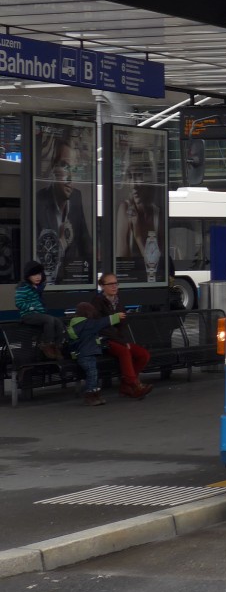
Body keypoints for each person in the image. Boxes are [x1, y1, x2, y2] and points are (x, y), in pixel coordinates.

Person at [68, 295, 153, 402]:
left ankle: (103, 392)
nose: (114, 286)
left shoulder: (76, 324)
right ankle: (93, 394)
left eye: (115, 283)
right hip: (91, 351)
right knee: (93, 373)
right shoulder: (89, 321)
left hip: (84, 353)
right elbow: (101, 323)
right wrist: (116, 317)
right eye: (110, 284)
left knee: (93, 373)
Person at [34, 137, 93, 282]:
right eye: (65, 167)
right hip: (46, 284)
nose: (70, 178)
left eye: (74, 169)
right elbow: (38, 258)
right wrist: (61, 243)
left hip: (72, 282)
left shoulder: (76, 197)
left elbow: (86, 245)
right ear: (54, 168)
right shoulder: (39, 202)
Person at [115, 154, 163, 282]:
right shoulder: (124, 209)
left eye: (138, 176)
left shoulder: (157, 214)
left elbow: (156, 264)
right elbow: (122, 261)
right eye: (130, 177)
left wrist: (138, 236)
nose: (134, 185)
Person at [14, 260, 65, 360]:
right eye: (34, 275)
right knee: (49, 320)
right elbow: (19, 303)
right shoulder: (23, 288)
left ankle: (57, 346)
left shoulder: (38, 288)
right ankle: (47, 345)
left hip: (38, 315)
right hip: (28, 315)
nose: (38, 277)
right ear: (28, 276)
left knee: (57, 321)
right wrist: (32, 307)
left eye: (39, 274)